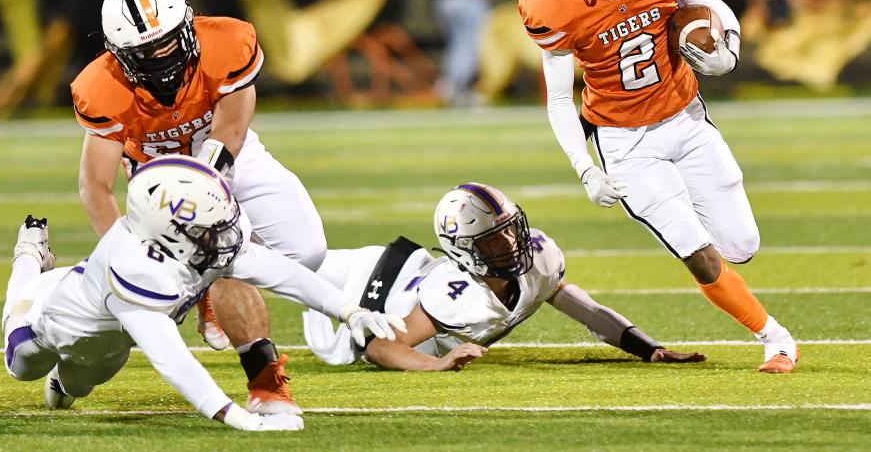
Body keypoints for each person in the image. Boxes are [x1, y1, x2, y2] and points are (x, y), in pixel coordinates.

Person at [518, 0, 798, 373]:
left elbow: (710, 5)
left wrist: (725, 51)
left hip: (686, 117)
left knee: (742, 245)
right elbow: (559, 99)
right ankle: (774, 338)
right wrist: (585, 168)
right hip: (624, 141)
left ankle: (722, 248)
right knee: (696, 251)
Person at [69, 0, 329, 413]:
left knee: (307, 252)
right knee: (193, 272)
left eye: (167, 41)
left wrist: (208, 191)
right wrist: (128, 255)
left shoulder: (227, 41)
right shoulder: (102, 85)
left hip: (228, 153)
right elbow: (95, 186)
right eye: (145, 51)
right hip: (157, 179)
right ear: (118, 52)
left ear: (188, 24)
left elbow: (231, 129)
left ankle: (207, 283)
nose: (160, 56)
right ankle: (264, 380)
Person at [1, 156, 403, 430]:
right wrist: (229, 414)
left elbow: (280, 272)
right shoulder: (137, 270)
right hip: (49, 318)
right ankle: (30, 256)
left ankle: (66, 378)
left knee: (75, 387)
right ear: (170, 234)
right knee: (22, 365)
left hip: (107, 339)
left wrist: (349, 310)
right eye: (210, 229)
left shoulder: (195, 241)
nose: (224, 234)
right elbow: (173, 360)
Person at [302, 182, 705, 370]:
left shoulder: (537, 259)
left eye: (512, 230)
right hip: (364, 291)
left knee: (273, 260)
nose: (511, 244)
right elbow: (382, 348)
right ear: (464, 249)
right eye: (494, 241)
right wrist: (438, 367)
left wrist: (646, 347)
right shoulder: (456, 293)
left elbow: (580, 306)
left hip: (408, 272)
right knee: (286, 261)